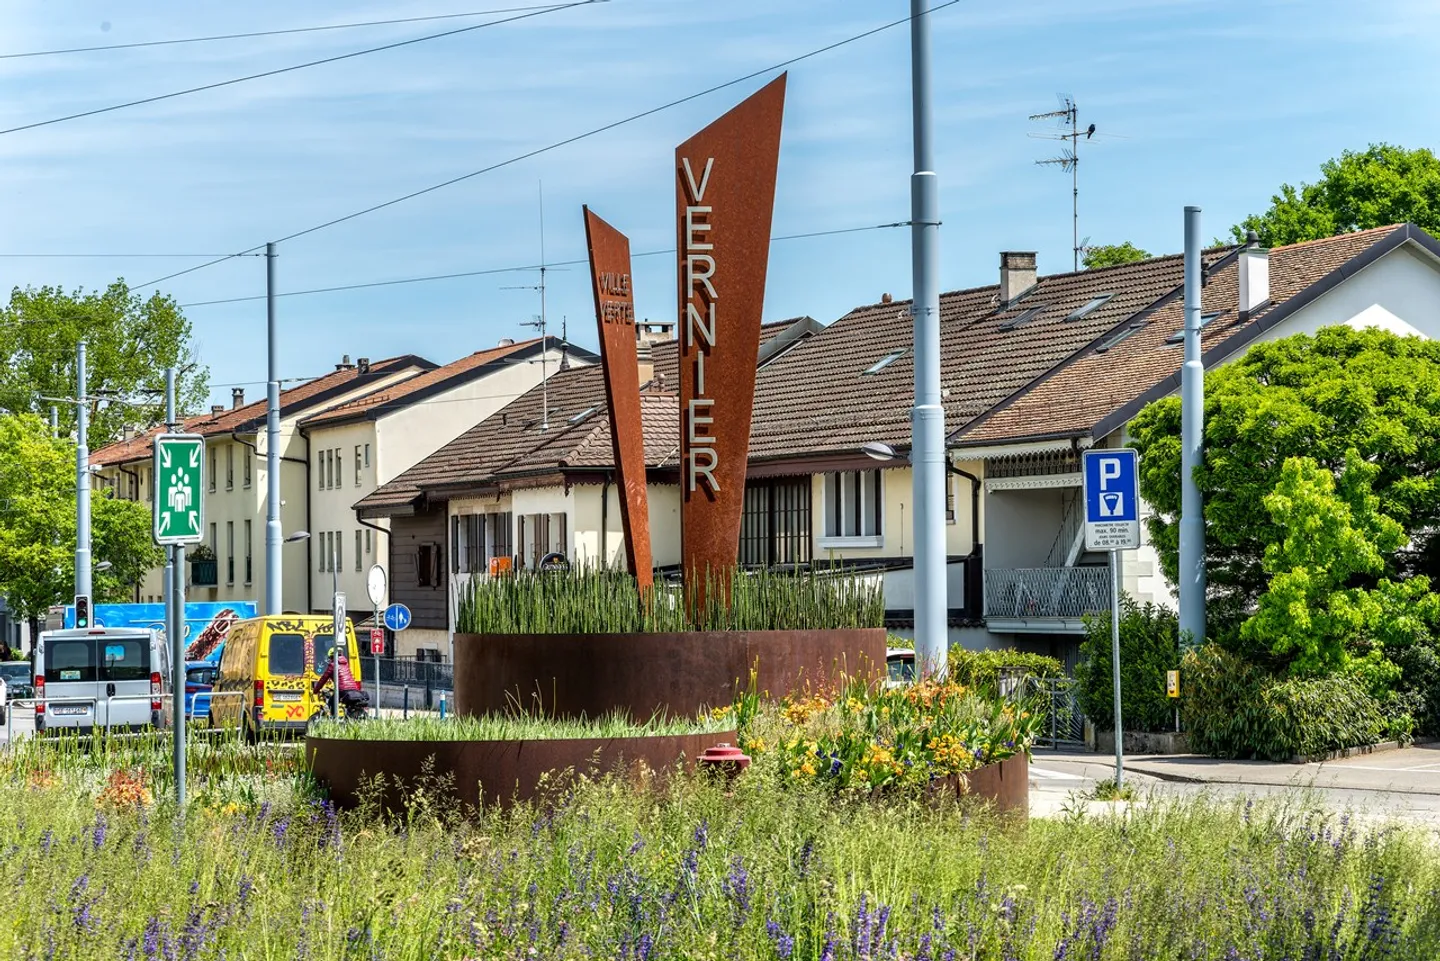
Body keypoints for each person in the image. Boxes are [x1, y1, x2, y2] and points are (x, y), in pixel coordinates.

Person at [312, 649, 369, 718]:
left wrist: (315, 690)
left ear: (331, 657)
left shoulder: (332, 665)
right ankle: (347, 718)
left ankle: (334, 719)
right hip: (354, 689)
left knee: (331, 702)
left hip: (342, 690)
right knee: (349, 706)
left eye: (329, 658)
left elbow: (323, 679)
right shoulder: (345, 664)